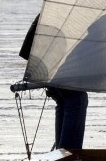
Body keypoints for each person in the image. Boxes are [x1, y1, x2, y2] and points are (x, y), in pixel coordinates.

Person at [19, 14, 88, 150]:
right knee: (76, 98)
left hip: (48, 65)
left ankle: (61, 153)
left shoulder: (61, 8)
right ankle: (67, 156)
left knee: (65, 100)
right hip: (55, 67)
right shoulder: (72, 14)